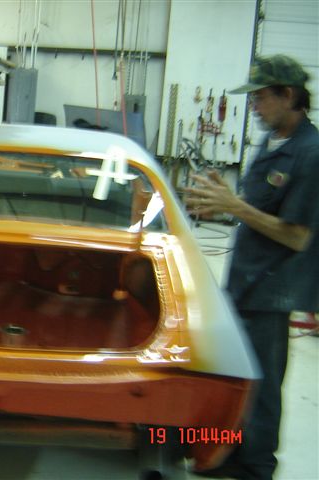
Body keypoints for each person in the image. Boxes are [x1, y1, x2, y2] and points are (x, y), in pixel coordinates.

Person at [185, 54, 319, 480]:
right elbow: (258, 204)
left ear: (289, 95)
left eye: (261, 98)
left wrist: (235, 206)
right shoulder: (272, 141)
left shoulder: (310, 154)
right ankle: (226, 453)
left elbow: (298, 236)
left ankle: (257, 465)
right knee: (235, 374)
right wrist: (225, 201)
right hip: (246, 277)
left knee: (261, 381)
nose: (254, 107)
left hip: (272, 288)